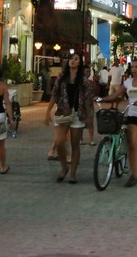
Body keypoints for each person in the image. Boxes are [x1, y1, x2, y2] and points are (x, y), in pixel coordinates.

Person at [99, 58, 137, 187]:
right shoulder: (128, 82)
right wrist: (101, 99)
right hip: (133, 116)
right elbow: (115, 95)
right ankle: (133, 174)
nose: (134, 69)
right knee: (132, 144)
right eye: (132, 67)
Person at [44, 54, 86, 184]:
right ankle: (64, 166)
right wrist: (47, 112)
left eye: (76, 59)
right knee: (59, 141)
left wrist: (89, 117)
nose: (73, 61)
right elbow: (54, 95)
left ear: (79, 63)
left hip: (77, 114)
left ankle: (73, 173)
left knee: (75, 144)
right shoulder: (61, 78)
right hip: (62, 112)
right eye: (71, 58)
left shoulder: (83, 80)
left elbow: (88, 100)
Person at [79, 65, 98, 146]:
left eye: (89, 71)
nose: (88, 73)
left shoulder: (91, 82)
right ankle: (80, 139)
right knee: (81, 122)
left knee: (90, 122)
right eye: (87, 71)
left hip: (89, 104)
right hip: (81, 105)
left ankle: (91, 139)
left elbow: (95, 92)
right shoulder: (80, 82)